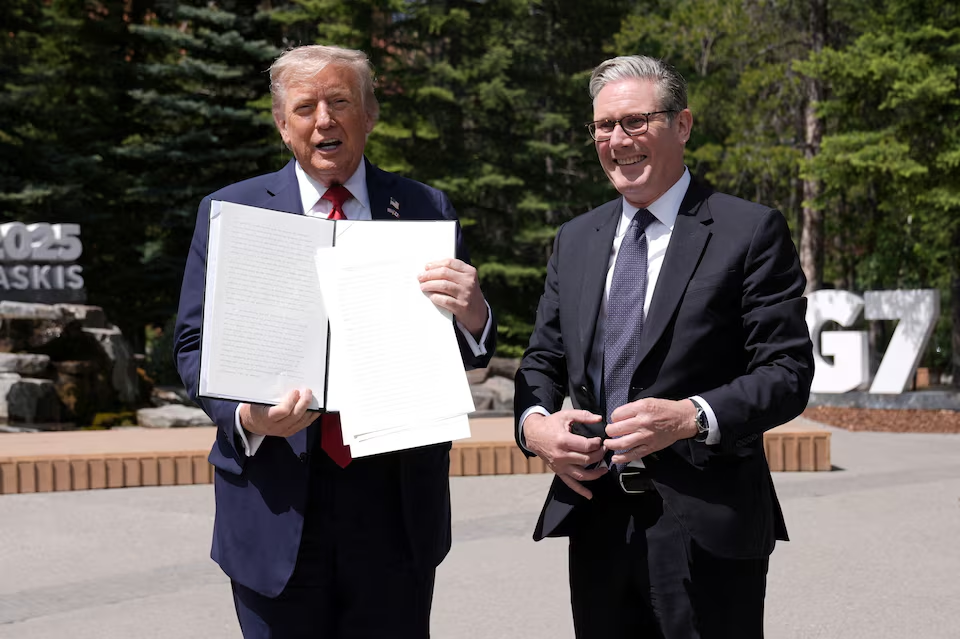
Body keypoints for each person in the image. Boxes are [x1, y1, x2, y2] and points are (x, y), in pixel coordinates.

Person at [173, 45, 496, 638]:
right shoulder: (231, 210)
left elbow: (460, 349)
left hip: (394, 505)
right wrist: (247, 415)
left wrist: (474, 315)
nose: (324, 120)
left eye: (340, 102)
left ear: (369, 113)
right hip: (275, 502)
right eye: (305, 107)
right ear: (282, 124)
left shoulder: (424, 208)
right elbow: (193, 346)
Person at [514, 55, 814, 638]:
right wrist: (535, 427)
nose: (617, 140)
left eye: (635, 121)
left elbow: (786, 372)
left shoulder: (748, 231)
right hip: (597, 519)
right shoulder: (575, 239)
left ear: (682, 125)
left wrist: (689, 417)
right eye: (603, 126)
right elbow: (542, 360)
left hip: (708, 526)